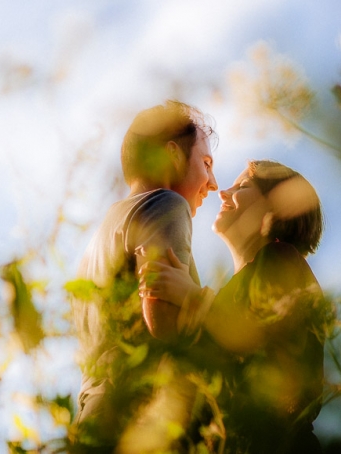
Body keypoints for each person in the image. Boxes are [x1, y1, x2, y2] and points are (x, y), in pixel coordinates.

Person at [139, 160, 326, 453]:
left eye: (243, 186)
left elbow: (264, 345)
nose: (224, 192)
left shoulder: (282, 259)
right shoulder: (231, 290)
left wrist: (192, 298)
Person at [70, 100, 218, 453]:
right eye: (206, 163)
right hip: (142, 424)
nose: (212, 183)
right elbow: (163, 320)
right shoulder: (165, 204)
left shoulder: (100, 239)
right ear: (173, 155)